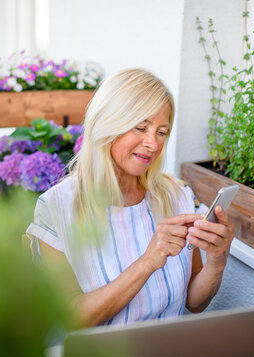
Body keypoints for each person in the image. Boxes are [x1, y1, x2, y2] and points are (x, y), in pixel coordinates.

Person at [26, 68, 234, 328]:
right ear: (107, 125)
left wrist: (217, 260)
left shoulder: (176, 195)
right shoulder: (56, 208)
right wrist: (148, 261)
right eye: (141, 127)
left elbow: (194, 302)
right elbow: (72, 319)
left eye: (161, 131)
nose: (153, 144)